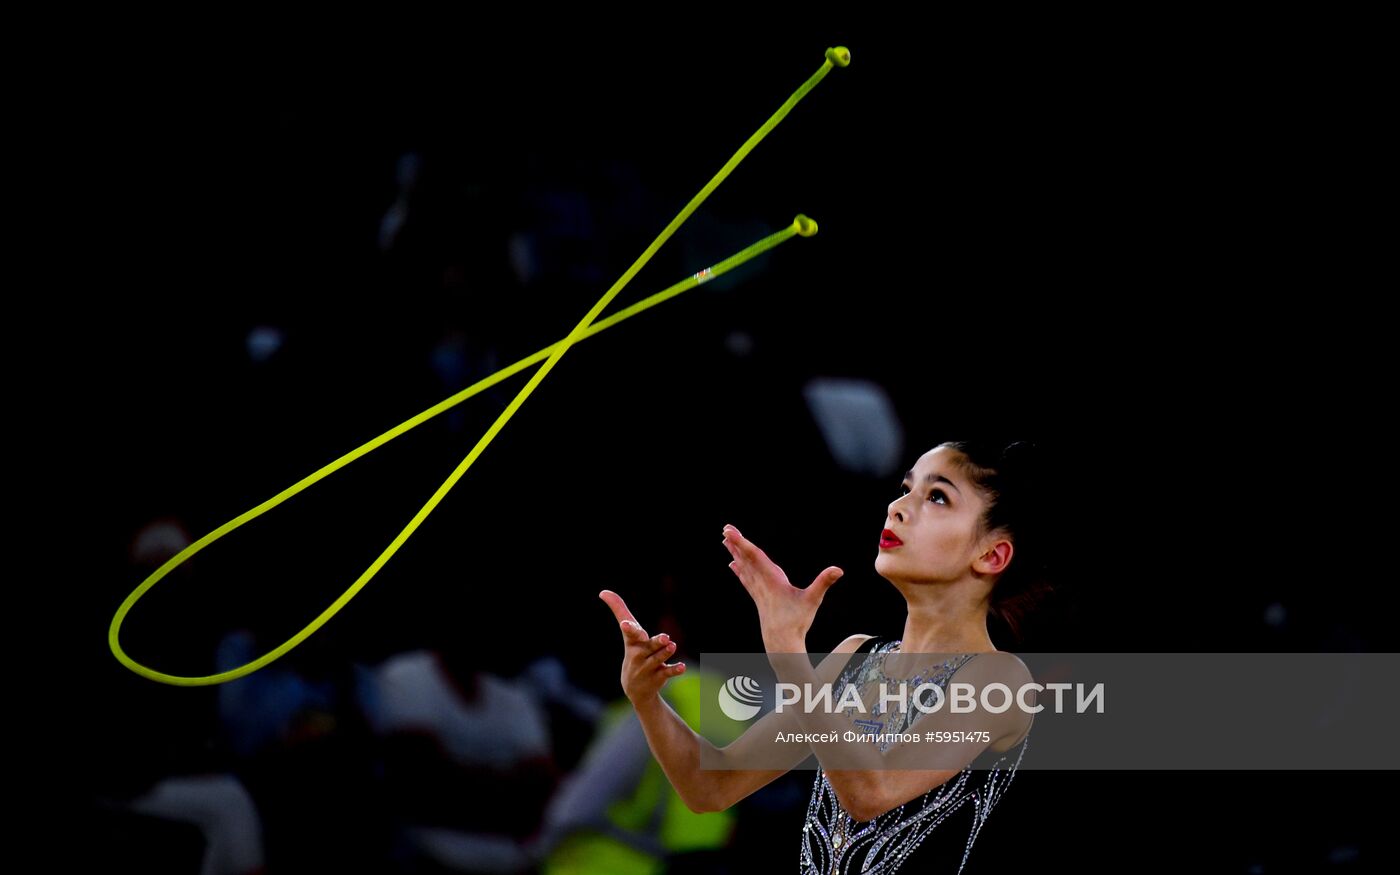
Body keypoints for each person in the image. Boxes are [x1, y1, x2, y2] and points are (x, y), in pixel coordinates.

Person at [599, 439, 1056, 873]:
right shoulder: (854, 658)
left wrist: (789, 655)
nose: (898, 507)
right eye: (905, 488)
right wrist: (646, 699)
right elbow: (711, 786)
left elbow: (873, 792)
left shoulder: (1000, 678)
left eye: (937, 497)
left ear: (992, 555)